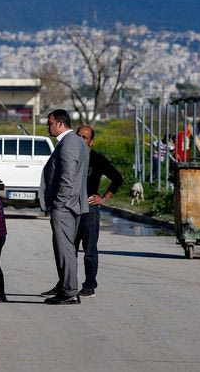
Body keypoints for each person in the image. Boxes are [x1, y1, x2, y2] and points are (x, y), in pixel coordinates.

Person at [38, 109, 89, 305]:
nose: (47, 127)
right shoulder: (76, 142)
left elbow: (67, 178)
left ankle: (69, 292)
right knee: (65, 249)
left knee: (65, 250)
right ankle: (66, 288)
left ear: (60, 123)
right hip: (72, 204)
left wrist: (59, 204)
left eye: (49, 123)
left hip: (66, 207)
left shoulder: (69, 144)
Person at [73, 125, 123, 298]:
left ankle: (89, 286)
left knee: (89, 250)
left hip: (89, 208)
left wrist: (104, 198)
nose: (81, 140)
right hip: (70, 209)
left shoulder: (97, 159)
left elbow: (118, 178)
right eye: (78, 136)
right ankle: (65, 284)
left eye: (85, 137)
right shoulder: (69, 157)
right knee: (68, 249)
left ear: (91, 142)